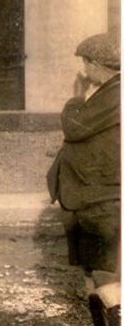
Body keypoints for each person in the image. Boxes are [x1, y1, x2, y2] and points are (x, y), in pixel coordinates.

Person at [46, 31, 120, 325]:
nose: (84, 71)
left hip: (101, 197)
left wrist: (77, 97)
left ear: (98, 64)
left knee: (106, 272)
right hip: (93, 195)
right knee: (97, 271)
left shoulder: (115, 92)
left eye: (86, 64)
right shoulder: (110, 91)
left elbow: (74, 127)